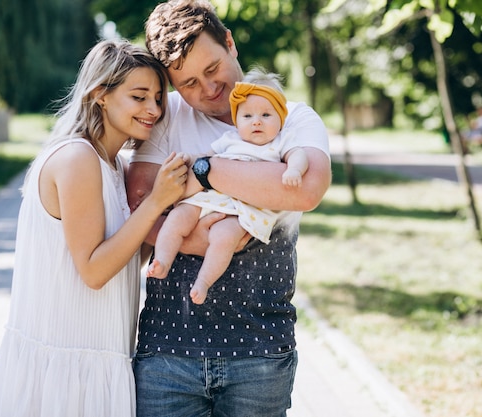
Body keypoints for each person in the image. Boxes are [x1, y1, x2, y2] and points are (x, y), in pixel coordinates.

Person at [126, 1, 331, 415]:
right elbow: (138, 205)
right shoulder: (165, 118)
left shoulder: (291, 117)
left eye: (212, 68)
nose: (207, 88)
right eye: (187, 83)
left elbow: (305, 190)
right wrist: (205, 239)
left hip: (261, 349)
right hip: (169, 350)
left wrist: (205, 171)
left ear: (230, 43)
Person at [0, 39, 188, 417]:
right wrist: (157, 202)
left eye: (159, 98)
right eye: (139, 96)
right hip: (63, 371)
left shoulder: (117, 165)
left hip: (101, 358)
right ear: (101, 95)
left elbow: (126, 255)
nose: (154, 110)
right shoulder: (77, 157)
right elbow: (94, 271)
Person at [147, 68, 309, 305]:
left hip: (245, 208)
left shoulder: (281, 141)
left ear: (280, 118)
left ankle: (203, 281)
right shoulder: (231, 138)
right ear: (236, 120)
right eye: (247, 116)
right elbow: (204, 157)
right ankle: (162, 259)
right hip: (212, 197)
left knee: (224, 238)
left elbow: (299, 155)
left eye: (266, 115)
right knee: (178, 217)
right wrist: (187, 160)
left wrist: (294, 169)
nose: (256, 121)